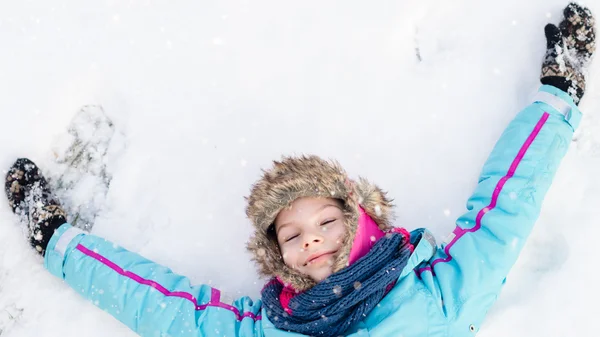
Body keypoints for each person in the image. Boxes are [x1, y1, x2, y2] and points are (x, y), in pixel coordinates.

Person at [3, 3, 595, 336]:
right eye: (289, 234)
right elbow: (157, 302)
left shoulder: (440, 293)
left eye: (325, 222)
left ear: (360, 218)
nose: (309, 238)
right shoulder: (268, 331)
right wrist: (57, 240)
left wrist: (558, 93)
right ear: (276, 259)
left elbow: (507, 202)